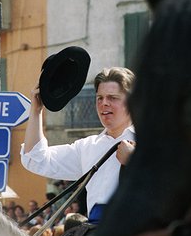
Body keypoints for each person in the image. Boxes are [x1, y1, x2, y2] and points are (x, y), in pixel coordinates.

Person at [21, 66, 136, 225]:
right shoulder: (87, 147)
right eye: (99, 98)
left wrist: (135, 160)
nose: (104, 103)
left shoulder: (153, 140)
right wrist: (36, 110)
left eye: (113, 97)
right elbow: (35, 159)